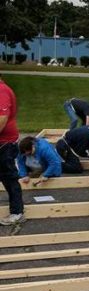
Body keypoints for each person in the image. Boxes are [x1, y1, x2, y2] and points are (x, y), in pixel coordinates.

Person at [0, 75, 25, 226]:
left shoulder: (2, 91)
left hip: (5, 144)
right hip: (4, 143)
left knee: (9, 178)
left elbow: (2, 117)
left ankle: (17, 212)